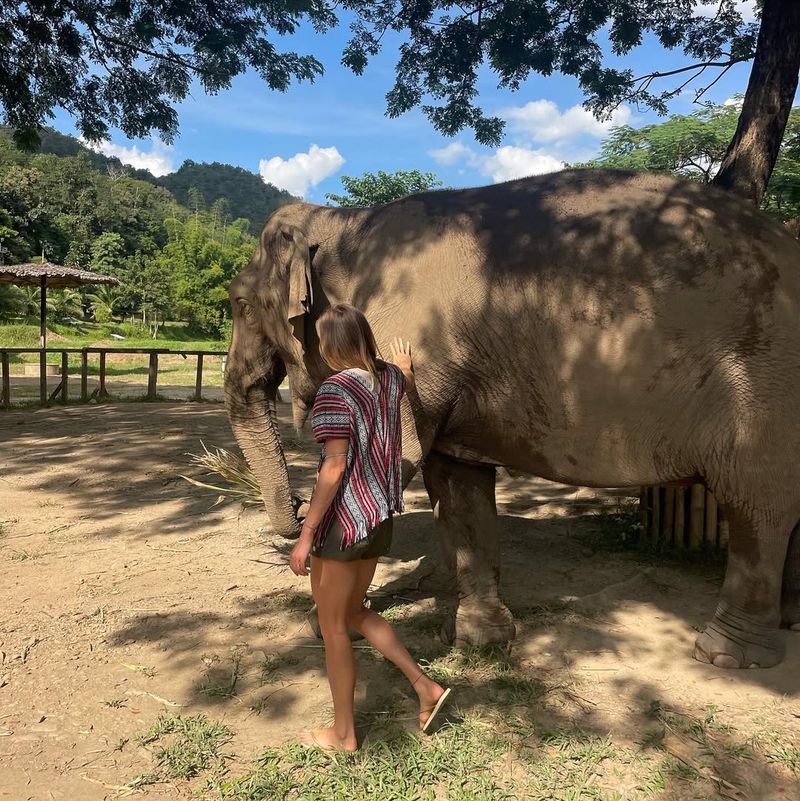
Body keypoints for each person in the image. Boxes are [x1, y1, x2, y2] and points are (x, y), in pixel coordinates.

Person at [288, 303, 451, 752]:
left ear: (328, 346)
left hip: (344, 523)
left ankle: (343, 734)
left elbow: (334, 468)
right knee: (354, 612)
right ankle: (425, 686)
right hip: (379, 518)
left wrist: (305, 535)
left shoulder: (334, 391)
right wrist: (404, 367)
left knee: (334, 626)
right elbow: (402, 383)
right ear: (363, 338)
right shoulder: (389, 380)